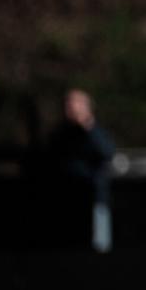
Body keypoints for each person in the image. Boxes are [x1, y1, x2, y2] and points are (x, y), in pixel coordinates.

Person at [47, 88, 115, 251]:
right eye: (68, 104)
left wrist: (87, 125)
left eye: (76, 104)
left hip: (94, 200)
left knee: (99, 247)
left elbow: (107, 152)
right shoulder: (60, 135)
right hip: (67, 201)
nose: (71, 108)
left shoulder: (96, 132)